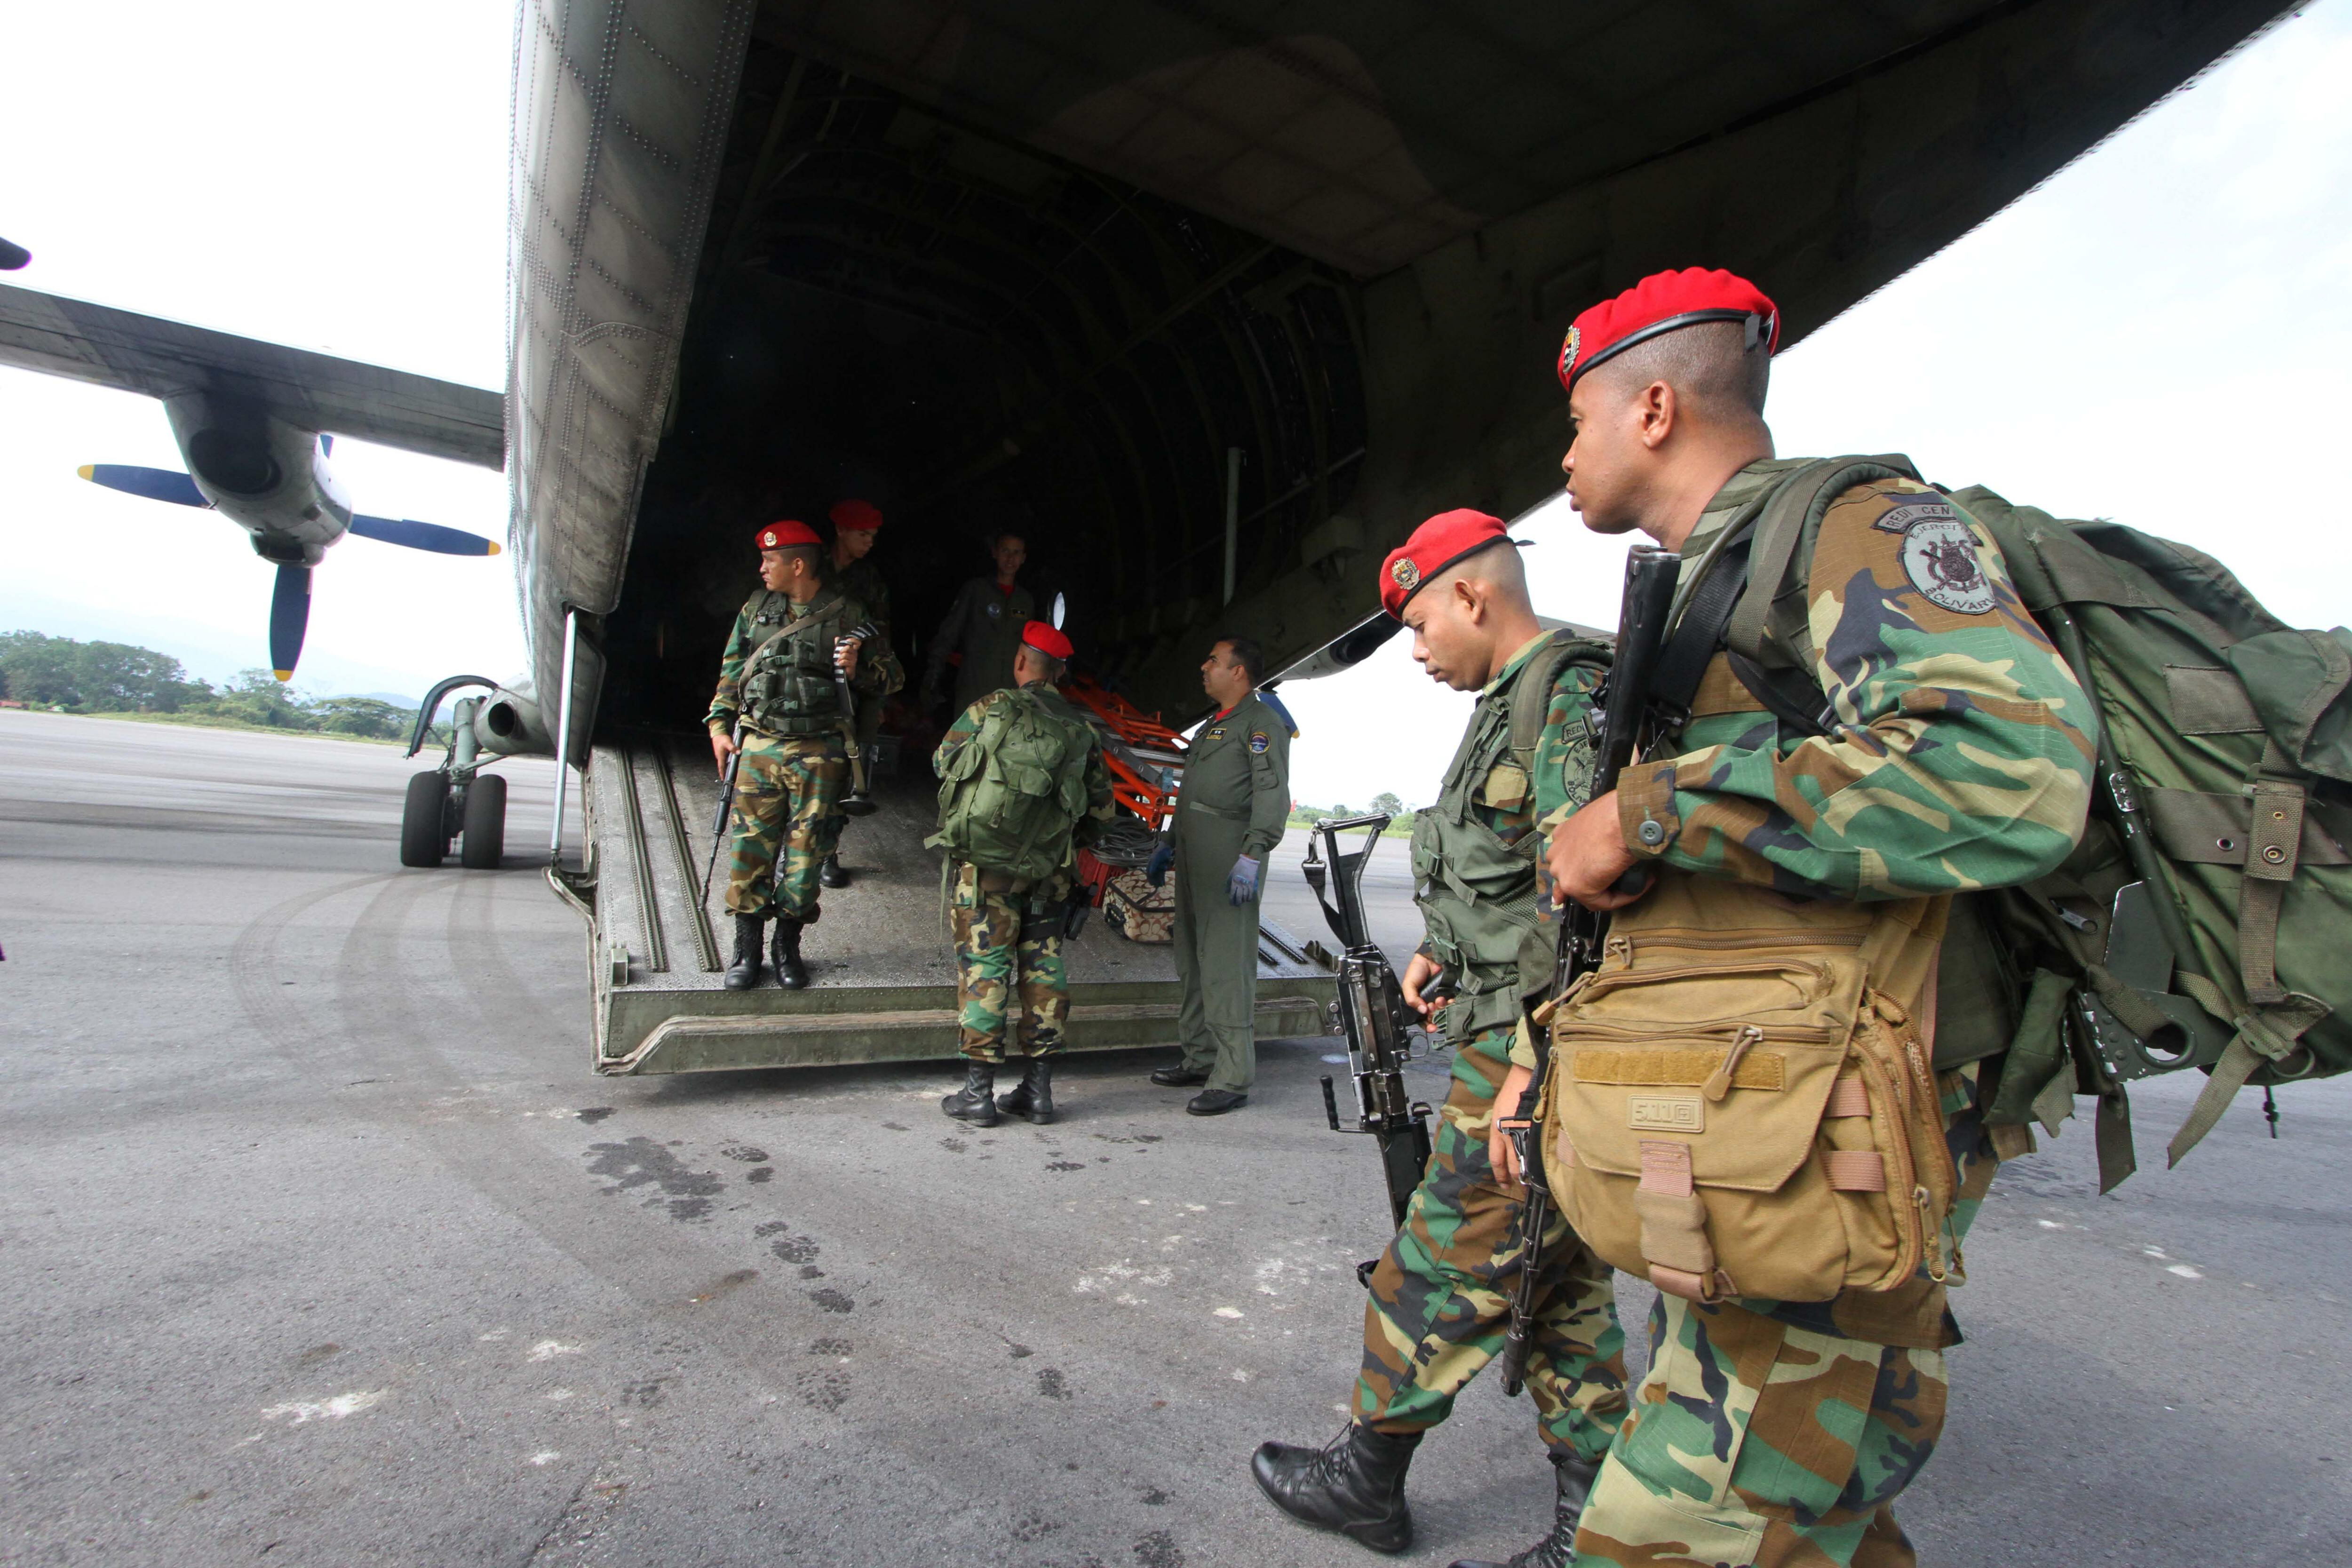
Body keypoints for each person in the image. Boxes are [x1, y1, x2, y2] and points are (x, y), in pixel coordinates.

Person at [1491, 267, 2092, 1568]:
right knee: (1803, 1499)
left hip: (1856, 1108)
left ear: (1654, 407)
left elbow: (2012, 770)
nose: (1566, 452)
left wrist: (1654, 809)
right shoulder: (1700, 587)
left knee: (1684, 1519)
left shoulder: (1853, 527)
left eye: (1578, 419)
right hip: (1761, 1110)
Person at [1249, 513, 1628, 1558]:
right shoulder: (1514, 699)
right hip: (1524, 1037)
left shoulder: (1565, 694)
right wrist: (1445, 954)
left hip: (1533, 1055)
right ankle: (1593, 1524)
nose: (1416, 653)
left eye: (1418, 626)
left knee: (1431, 1265)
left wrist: (1525, 1063)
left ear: (1472, 596)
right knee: (1558, 1285)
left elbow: (1593, 908)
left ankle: (1365, 1479)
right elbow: (1515, 877)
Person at [930, 621, 1115, 1128]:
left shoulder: (988, 709)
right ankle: (1037, 1093)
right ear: (1059, 673)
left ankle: (978, 1095)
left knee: (984, 969)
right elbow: (1101, 816)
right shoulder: (1082, 733)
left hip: (987, 869)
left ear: (1019, 664)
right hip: (1049, 876)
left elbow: (944, 763)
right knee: (1043, 973)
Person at [707, 519, 901, 990]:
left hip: (819, 754)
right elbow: (732, 671)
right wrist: (717, 725)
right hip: (759, 748)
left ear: (798, 565)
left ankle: (787, 947)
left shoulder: (848, 616)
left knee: (806, 858)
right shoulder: (756, 610)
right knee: (750, 855)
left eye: (770, 560)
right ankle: (746, 951)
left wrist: (862, 668)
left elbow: (892, 677)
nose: (762, 568)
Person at [1143, 636, 1291, 1115]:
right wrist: (1167, 842)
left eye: (1213, 661)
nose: (1203, 667)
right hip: (1193, 853)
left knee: (1226, 965)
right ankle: (1200, 1056)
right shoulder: (1214, 726)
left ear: (1239, 673)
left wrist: (1253, 853)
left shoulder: (1262, 724)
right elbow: (1192, 794)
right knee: (1192, 959)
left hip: (1230, 857)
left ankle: (1231, 1076)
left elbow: (1270, 793)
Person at [818, 498, 900, 889]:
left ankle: (827, 851)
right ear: (841, 530)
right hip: (810, 673)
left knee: (845, 770)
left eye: (874, 536)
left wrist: (869, 677)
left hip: (850, 677)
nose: (869, 542)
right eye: (863, 534)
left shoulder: (869, 581)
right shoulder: (809, 566)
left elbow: (880, 636)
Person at [922, 530, 1034, 717]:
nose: (1010, 558)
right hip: (973, 692)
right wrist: (933, 675)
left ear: (1023, 558)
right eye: (1005, 551)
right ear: (994, 553)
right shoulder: (976, 590)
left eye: (1016, 553)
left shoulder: (1026, 600)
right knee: (967, 745)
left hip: (1010, 696)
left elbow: (1031, 651)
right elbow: (949, 634)